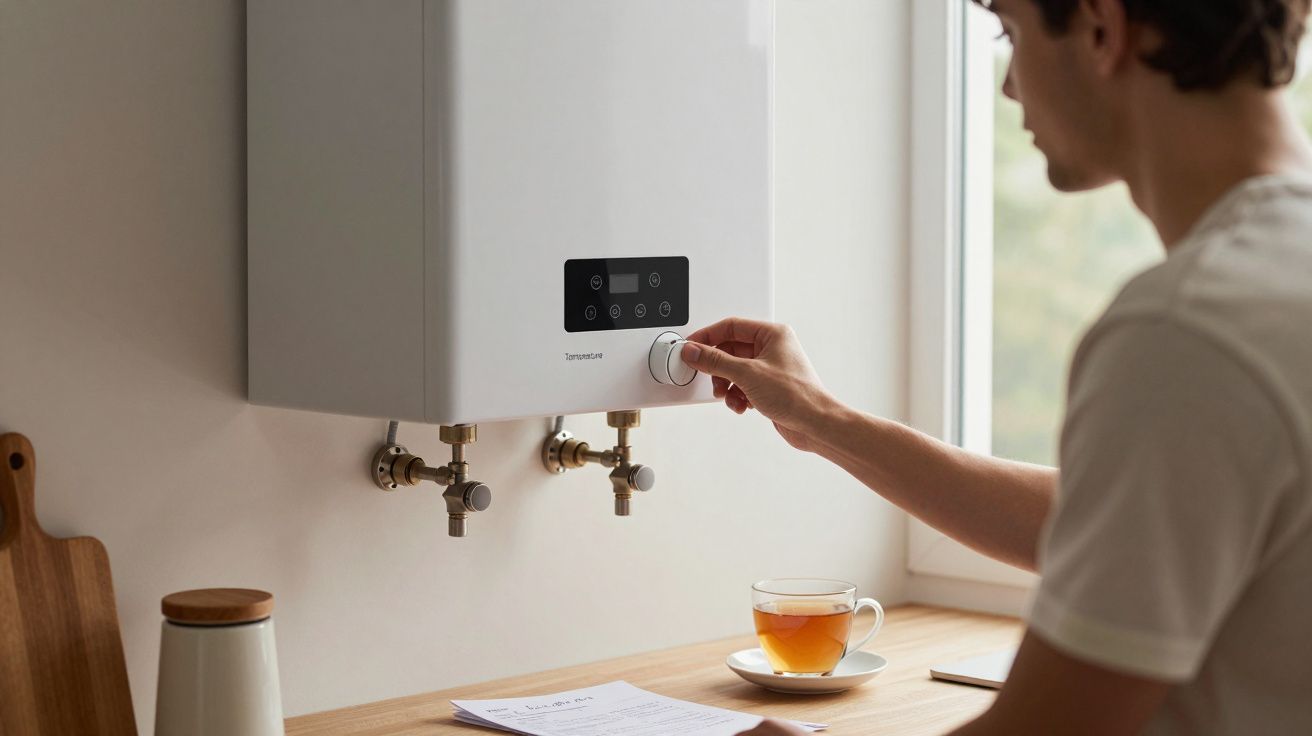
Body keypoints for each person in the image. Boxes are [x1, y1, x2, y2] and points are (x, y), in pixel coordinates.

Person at [692, 0, 1312, 734]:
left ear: (1102, 28)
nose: (1010, 86)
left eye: (1009, 32)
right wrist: (821, 421)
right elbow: (1108, 523)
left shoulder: (1189, 330)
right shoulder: (1275, 285)